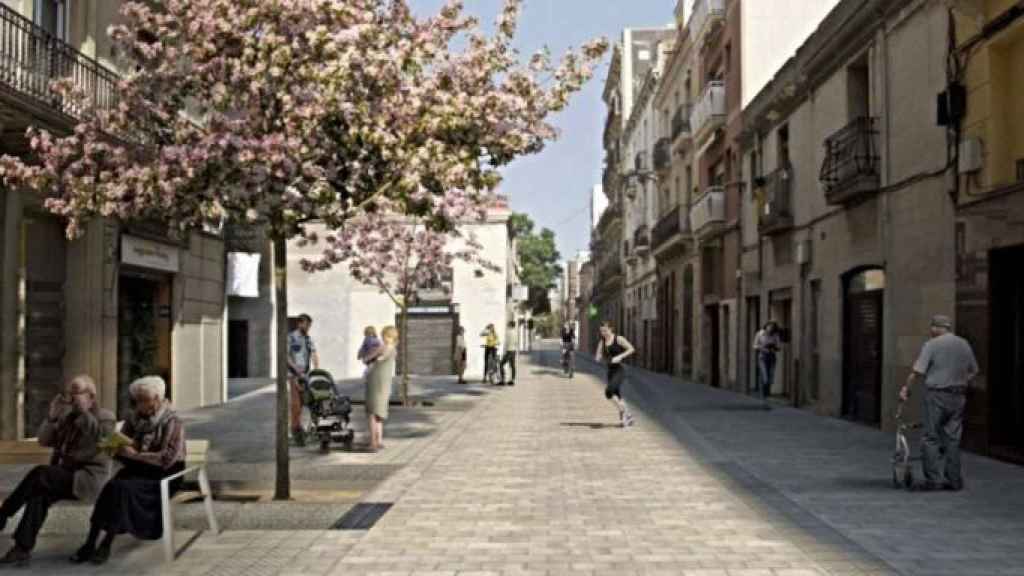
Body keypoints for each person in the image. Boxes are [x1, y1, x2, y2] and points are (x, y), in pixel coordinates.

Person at [0, 376, 114, 566]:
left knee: (41, 473)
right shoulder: (67, 418)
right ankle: (22, 549)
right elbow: (44, 441)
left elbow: (99, 442)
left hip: (86, 479)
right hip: (62, 476)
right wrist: (52, 417)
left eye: (75, 392)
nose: (70, 397)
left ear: (91, 396)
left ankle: (3, 513)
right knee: (38, 494)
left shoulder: (106, 417)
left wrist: (84, 412)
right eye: (69, 393)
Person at [70, 376, 185, 565]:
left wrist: (136, 455)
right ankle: (90, 543)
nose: (139, 404)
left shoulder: (173, 421)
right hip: (138, 470)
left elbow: (167, 458)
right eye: (137, 399)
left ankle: (106, 544)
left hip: (165, 474)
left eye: (143, 400)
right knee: (111, 488)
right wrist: (113, 448)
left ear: (157, 399)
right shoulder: (133, 419)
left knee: (121, 489)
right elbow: (122, 446)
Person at [900, 315, 978, 492]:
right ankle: (954, 480)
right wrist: (959, 381)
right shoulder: (963, 343)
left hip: (936, 395)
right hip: (958, 396)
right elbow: (974, 370)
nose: (930, 330)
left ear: (936, 327)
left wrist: (906, 389)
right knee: (953, 438)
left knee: (930, 437)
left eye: (932, 327)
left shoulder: (932, 344)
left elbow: (917, 371)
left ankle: (933, 481)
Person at [594, 321, 637, 428]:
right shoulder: (602, 342)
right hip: (610, 371)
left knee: (608, 392)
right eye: (601, 331)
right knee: (617, 396)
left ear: (611, 329)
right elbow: (598, 355)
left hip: (619, 370)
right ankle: (628, 416)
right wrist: (598, 358)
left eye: (605, 330)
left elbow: (631, 349)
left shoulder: (619, 339)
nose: (603, 333)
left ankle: (625, 413)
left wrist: (620, 357)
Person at [363, 326, 399, 452]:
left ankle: (373, 443)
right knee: (380, 414)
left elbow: (365, 359)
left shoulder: (382, 347)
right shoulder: (394, 350)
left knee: (372, 414)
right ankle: (379, 441)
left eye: (384, 335)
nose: (382, 337)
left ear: (388, 336)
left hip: (375, 383)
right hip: (385, 385)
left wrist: (369, 355)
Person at [288, 313, 319, 446]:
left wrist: (317, 368)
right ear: (300, 323)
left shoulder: (308, 338)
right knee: (297, 406)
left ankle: (302, 430)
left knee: (307, 403)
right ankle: (294, 430)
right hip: (294, 375)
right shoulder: (291, 337)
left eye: (310, 325)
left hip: (306, 375)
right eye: (307, 325)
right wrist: (296, 369)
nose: (308, 328)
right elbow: (286, 356)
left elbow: (314, 353)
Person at [752, 321, 781, 405]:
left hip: (772, 357)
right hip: (762, 357)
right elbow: (754, 345)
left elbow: (779, 346)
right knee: (765, 376)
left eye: (772, 328)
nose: (770, 329)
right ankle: (763, 393)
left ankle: (766, 391)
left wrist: (774, 348)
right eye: (769, 327)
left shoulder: (775, 335)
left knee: (771, 376)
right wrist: (762, 348)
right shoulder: (760, 334)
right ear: (766, 326)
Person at [500, 321, 519, 386]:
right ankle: (512, 380)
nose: (507, 325)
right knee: (512, 365)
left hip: (508, 350)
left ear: (510, 325)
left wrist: (504, 352)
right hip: (513, 350)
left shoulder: (508, 332)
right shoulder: (516, 333)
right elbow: (516, 342)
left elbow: (506, 343)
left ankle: (503, 380)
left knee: (501, 364)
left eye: (508, 324)